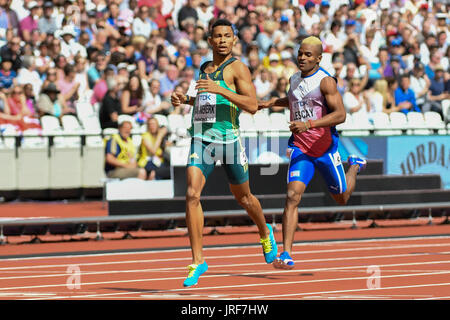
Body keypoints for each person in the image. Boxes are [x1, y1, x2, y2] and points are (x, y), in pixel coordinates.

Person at [171, 19, 277, 287]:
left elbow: (252, 105)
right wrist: (187, 101)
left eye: (226, 36)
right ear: (209, 40)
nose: (221, 40)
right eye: (216, 36)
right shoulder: (204, 68)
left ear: (234, 40)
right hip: (201, 139)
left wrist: (221, 89)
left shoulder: (238, 68)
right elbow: (208, 102)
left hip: (229, 140)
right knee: (192, 193)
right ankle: (198, 260)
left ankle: (265, 231)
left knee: (244, 198)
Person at [258, 36, 367, 269]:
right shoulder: (294, 78)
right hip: (301, 149)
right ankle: (286, 253)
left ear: (319, 58)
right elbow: (295, 100)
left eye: (308, 55)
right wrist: (269, 103)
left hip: (325, 149)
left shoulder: (326, 82)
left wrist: (308, 124)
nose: (302, 58)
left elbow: (340, 115)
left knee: (342, 198)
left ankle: (355, 165)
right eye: (300, 53)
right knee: (292, 196)